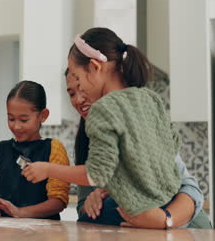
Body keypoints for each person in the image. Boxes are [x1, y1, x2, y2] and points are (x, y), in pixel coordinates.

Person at [22, 27, 184, 229]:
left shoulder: (103, 109)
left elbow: (95, 175)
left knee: (87, 221)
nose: (80, 89)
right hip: (169, 204)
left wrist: (47, 169)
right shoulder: (151, 98)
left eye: (78, 78)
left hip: (137, 210)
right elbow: (171, 147)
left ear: (95, 67)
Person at [65, 69, 212, 229]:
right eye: (72, 93)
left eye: (84, 88)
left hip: (189, 230)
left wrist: (165, 219)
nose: (78, 99)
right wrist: (90, 203)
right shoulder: (87, 139)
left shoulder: (141, 126)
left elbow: (191, 189)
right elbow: (82, 208)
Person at [0, 81, 70, 219]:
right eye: (11, 118)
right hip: (4, 229)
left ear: (43, 115)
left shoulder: (53, 148)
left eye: (23, 120)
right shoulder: (2, 149)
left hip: (43, 232)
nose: (16, 126)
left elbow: (58, 202)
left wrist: (21, 212)